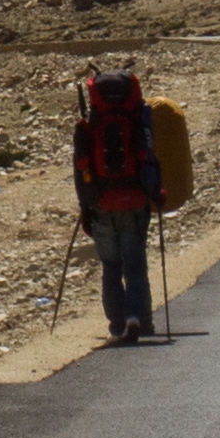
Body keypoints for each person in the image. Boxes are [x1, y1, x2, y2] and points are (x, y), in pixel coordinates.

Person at [74, 58, 165, 343]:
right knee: (135, 265)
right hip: (135, 201)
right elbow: (148, 159)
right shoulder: (138, 121)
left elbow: (81, 169)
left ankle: (117, 325)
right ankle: (140, 319)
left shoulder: (88, 128)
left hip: (102, 205)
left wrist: (85, 207)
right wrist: (155, 193)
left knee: (111, 267)